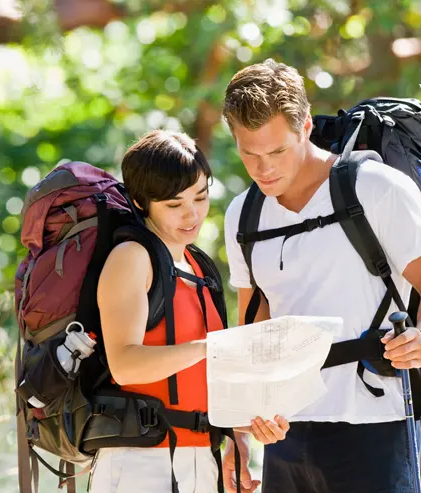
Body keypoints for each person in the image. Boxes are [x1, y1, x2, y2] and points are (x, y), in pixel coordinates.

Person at [221, 60, 421, 493]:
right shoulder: (244, 213)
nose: (263, 169)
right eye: (248, 153)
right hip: (286, 434)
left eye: (277, 151)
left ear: (306, 127)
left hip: (374, 422)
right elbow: (253, 327)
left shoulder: (374, 188)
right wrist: (239, 434)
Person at [91, 130, 289, 493]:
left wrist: (240, 435)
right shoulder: (132, 258)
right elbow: (124, 363)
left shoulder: (200, 266)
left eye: (200, 197)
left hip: (201, 458)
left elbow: (205, 378)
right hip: (139, 461)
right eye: (174, 204)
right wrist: (211, 348)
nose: (192, 214)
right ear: (140, 201)